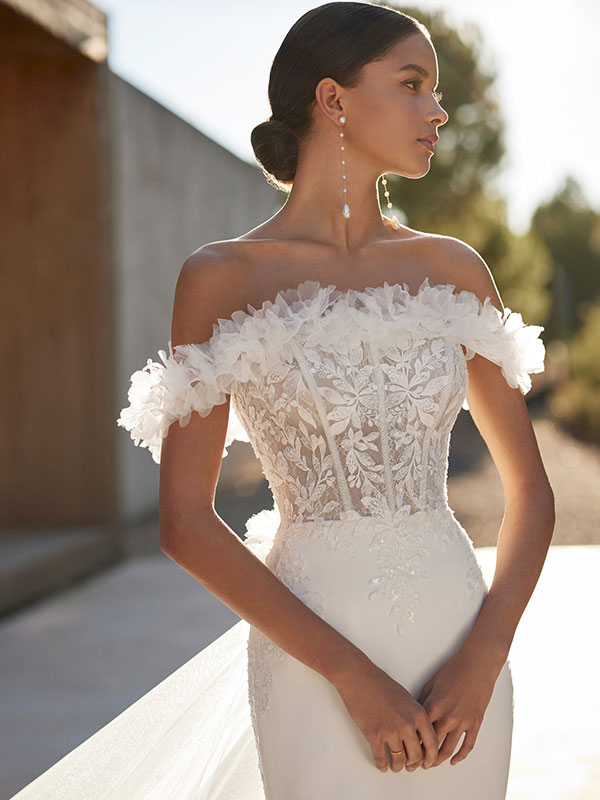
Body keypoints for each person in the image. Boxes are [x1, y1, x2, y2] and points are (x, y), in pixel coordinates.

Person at [10, 2, 555, 798]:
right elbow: (186, 522)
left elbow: (533, 496)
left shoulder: (454, 270)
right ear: (332, 99)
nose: (437, 110)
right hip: (313, 658)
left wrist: (485, 656)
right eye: (412, 85)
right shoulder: (224, 278)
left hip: (460, 650)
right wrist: (352, 677)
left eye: (433, 91)